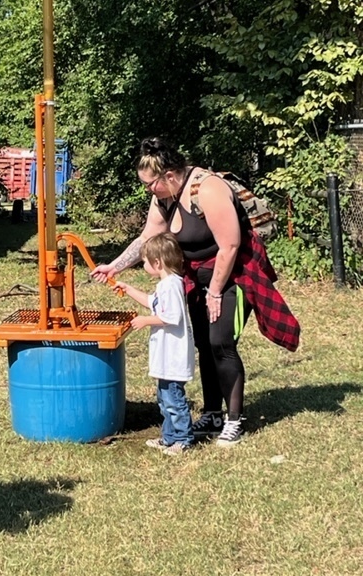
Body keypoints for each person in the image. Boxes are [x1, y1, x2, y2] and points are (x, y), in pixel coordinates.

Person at [92, 137, 300, 447]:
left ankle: (234, 420)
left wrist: (215, 292)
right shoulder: (163, 197)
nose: (148, 190)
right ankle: (213, 412)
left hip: (232, 276)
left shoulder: (208, 189)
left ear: (170, 176)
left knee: (221, 343)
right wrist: (116, 267)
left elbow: (230, 246)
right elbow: (148, 237)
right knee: (202, 342)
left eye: (151, 185)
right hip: (194, 279)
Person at [112, 233, 195, 456]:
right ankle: (169, 438)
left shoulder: (171, 286)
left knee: (174, 399)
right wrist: (128, 289)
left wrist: (144, 321)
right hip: (165, 355)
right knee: (165, 398)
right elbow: (153, 302)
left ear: (157, 262)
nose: (144, 265)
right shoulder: (165, 285)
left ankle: (183, 439)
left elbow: (171, 317)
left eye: (146, 261)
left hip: (173, 355)